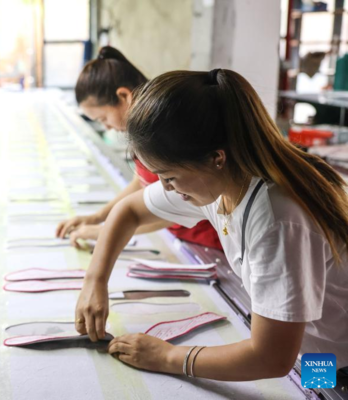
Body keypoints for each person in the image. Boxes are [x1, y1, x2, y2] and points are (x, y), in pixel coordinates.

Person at [75, 68, 348, 380]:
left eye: (169, 177)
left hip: (336, 366)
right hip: (309, 350)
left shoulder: (277, 220)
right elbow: (129, 211)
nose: (165, 188)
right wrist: (94, 282)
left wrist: (168, 357)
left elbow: (271, 358)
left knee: (304, 388)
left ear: (216, 158)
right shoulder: (223, 182)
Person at [56, 46, 222, 251]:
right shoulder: (142, 131)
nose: (106, 127)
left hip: (213, 241)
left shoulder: (162, 128)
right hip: (185, 239)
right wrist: (98, 217)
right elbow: (142, 182)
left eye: (103, 118)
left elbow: (178, 204)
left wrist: (107, 231)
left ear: (124, 96)